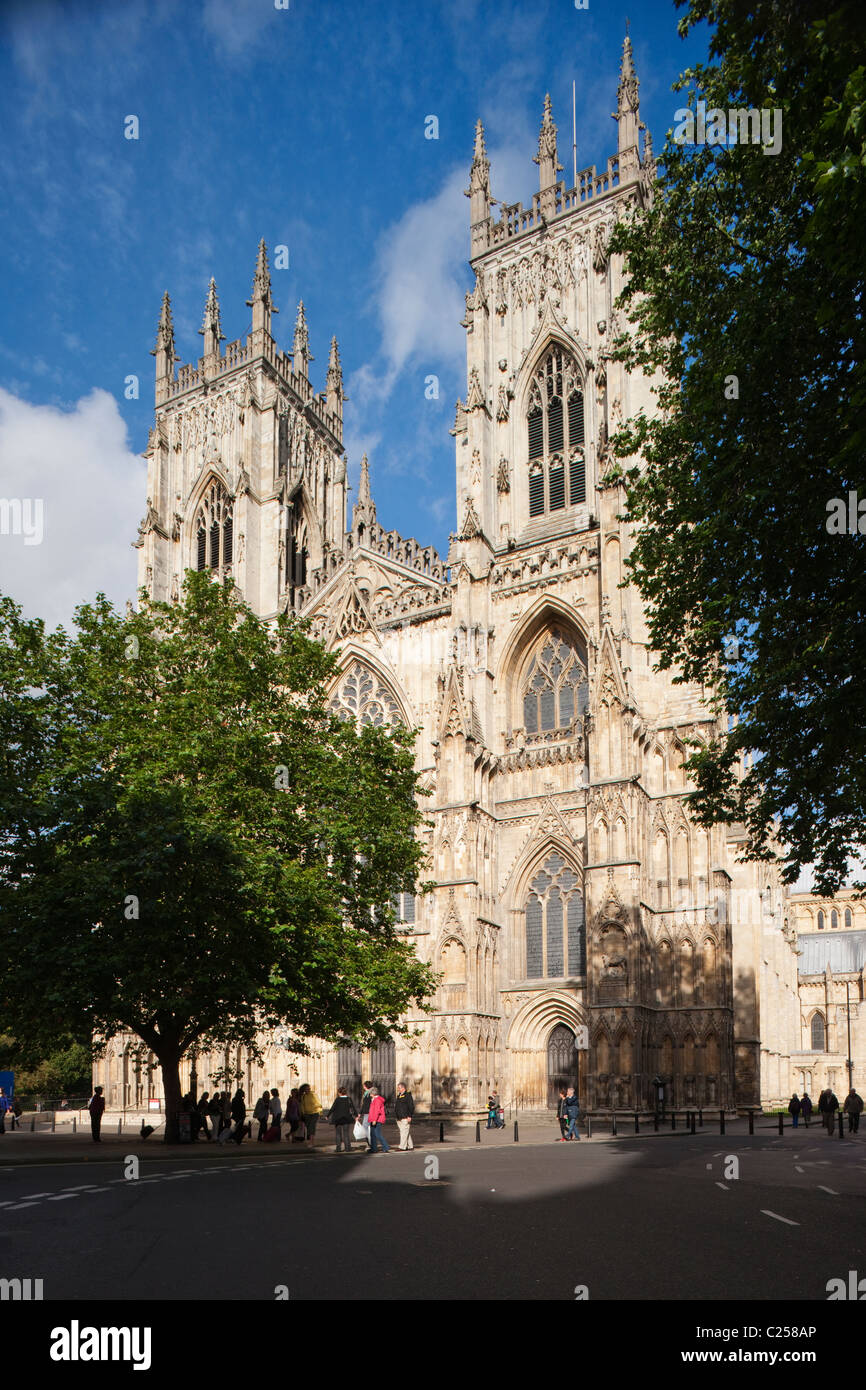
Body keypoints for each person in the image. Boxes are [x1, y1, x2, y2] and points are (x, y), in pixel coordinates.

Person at [328, 1086, 357, 1152]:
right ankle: (347, 1148)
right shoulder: (349, 1099)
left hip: (338, 1119)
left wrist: (327, 1115)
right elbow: (353, 1108)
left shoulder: (337, 1099)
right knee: (346, 1134)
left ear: (339, 1093)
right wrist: (356, 1115)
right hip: (346, 1118)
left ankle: (338, 1148)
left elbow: (333, 1108)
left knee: (338, 1134)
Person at [298, 1083, 322, 1148]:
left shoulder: (314, 1095)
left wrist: (320, 1112)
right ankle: (311, 1141)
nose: (308, 1090)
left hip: (314, 1113)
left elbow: (319, 1103)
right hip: (307, 1114)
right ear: (304, 1090)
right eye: (306, 1089)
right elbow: (302, 1105)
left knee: (312, 1127)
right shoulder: (303, 1096)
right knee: (309, 1128)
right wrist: (303, 1113)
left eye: (309, 1089)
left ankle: (311, 1142)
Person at [367, 1085, 390, 1153]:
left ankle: (386, 1146)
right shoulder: (375, 1099)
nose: (369, 1094)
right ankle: (374, 1148)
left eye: (370, 1093)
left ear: (373, 1093)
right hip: (374, 1119)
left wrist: (374, 1120)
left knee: (377, 1134)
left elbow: (377, 1111)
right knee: (372, 1134)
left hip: (377, 1119)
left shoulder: (377, 1100)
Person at [394, 1082, 415, 1150]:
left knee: (404, 1132)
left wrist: (409, 1116)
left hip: (405, 1116)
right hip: (399, 1117)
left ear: (403, 1088)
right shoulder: (399, 1095)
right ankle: (410, 1146)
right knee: (405, 1132)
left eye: (399, 1088)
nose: (398, 1089)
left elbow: (411, 1106)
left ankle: (402, 1147)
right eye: (398, 1088)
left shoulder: (408, 1095)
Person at [359, 1081, 374, 1150]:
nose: (363, 1087)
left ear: (366, 1086)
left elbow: (367, 1104)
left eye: (364, 1085)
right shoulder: (366, 1094)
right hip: (366, 1113)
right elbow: (364, 1105)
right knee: (367, 1129)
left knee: (365, 1128)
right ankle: (370, 1144)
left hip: (369, 1113)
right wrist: (360, 1113)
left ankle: (371, 1144)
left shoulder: (370, 1094)